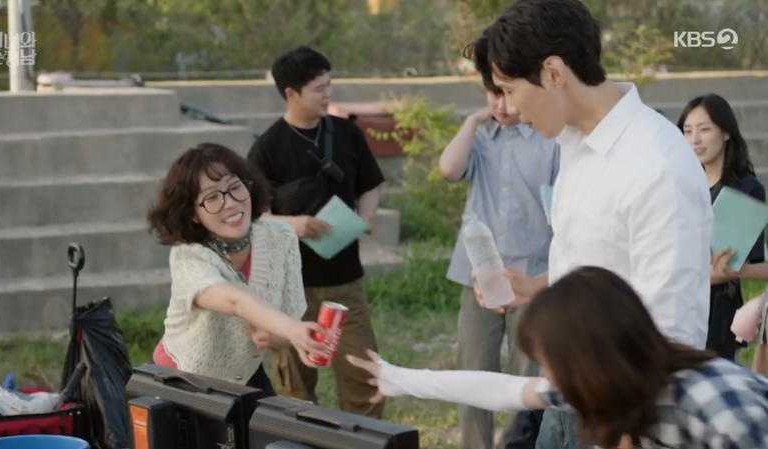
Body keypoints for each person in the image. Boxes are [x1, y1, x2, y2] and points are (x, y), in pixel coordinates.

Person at [471, 1, 713, 448]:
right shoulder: (574, 142)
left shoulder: (656, 165)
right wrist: (536, 287)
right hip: (568, 395)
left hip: (622, 414)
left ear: (553, 73)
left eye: (509, 89)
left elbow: (673, 326)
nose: (509, 107)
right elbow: (599, 263)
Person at [347, 266, 768, 449]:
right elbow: (503, 390)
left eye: (552, 362)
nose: (548, 376)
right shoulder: (614, 382)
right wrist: (396, 379)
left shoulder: (722, 408)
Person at [246, 46, 385, 418]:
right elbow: (253, 217)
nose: (328, 94)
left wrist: (365, 217)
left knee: (364, 380)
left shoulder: (347, 133)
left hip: (345, 283)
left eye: (329, 85)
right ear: (291, 93)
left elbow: (370, 185)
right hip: (290, 289)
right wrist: (293, 225)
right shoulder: (267, 148)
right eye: (318, 89)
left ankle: (362, 442)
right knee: (295, 393)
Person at [440, 35, 559, 449]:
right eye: (493, 96)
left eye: (507, 95)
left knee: (526, 378)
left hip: (531, 276)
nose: (502, 106)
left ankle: (515, 445)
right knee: (472, 372)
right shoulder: (480, 139)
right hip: (478, 276)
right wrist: (472, 122)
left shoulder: (550, 141)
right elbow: (449, 170)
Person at [146, 143, 329, 395]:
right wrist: (292, 330)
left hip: (244, 376)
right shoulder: (187, 255)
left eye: (235, 187)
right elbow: (236, 301)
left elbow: (290, 320)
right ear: (193, 214)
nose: (230, 203)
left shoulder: (282, 237)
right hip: (182, 378)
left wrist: (283, 337)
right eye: (212, 197)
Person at [679, 93, 766, 360]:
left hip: (714, 314)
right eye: (687, 131)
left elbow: (727, 268)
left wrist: (676, 273)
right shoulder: (682, 185)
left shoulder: (745, 189)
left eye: (704, 129)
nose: (694, 139)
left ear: (726, 133)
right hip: (677, 306)